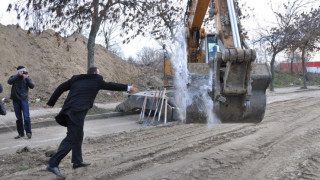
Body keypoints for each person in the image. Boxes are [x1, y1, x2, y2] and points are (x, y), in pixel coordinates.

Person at [45, 66, 138, 179]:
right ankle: (53, 164)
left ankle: (77, 161)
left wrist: (51, 102)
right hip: (76, 112)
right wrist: (128, 88)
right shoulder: (96, 80)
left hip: (69, 110)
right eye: (99, 73)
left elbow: (60, 87)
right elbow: (111, 85)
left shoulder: (76, 78)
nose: (100, 75)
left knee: (78, 135)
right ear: (95, 73)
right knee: (72, 138)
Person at [7, 66, 34, 139]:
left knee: (26, 117)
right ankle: (21, 133)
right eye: (22, 71)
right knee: (18, 118)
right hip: (16, 100)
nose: (23, 72)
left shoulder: (26, 78)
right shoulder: (14, 77)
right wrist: (18, 75)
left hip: (24, 100)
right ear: (19, 71)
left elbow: (32, 86)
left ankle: (28, 132)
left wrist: (27, 78)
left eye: (24, 71)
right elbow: (9, 81)